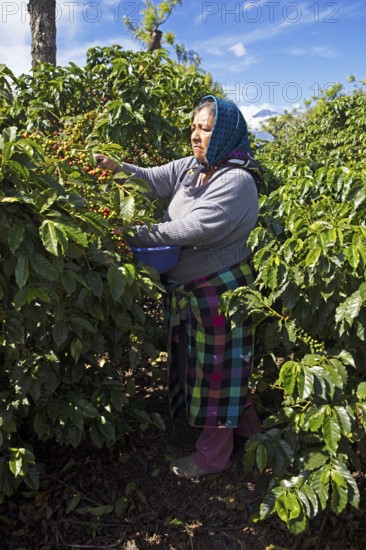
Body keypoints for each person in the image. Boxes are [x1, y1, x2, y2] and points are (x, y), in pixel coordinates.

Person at [95, 95, 262, 478]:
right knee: (223, 367)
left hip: (220, 293)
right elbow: (154, 179)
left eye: (206, 129)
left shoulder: (236, 181)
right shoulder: (194, 167)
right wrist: (117, 167)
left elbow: (191, 228)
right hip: (191, 289)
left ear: (224, 134)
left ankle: (212, 458)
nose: (195, 135)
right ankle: (253, 434)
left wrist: (127, 234)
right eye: (194, 127)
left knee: (217, 372)